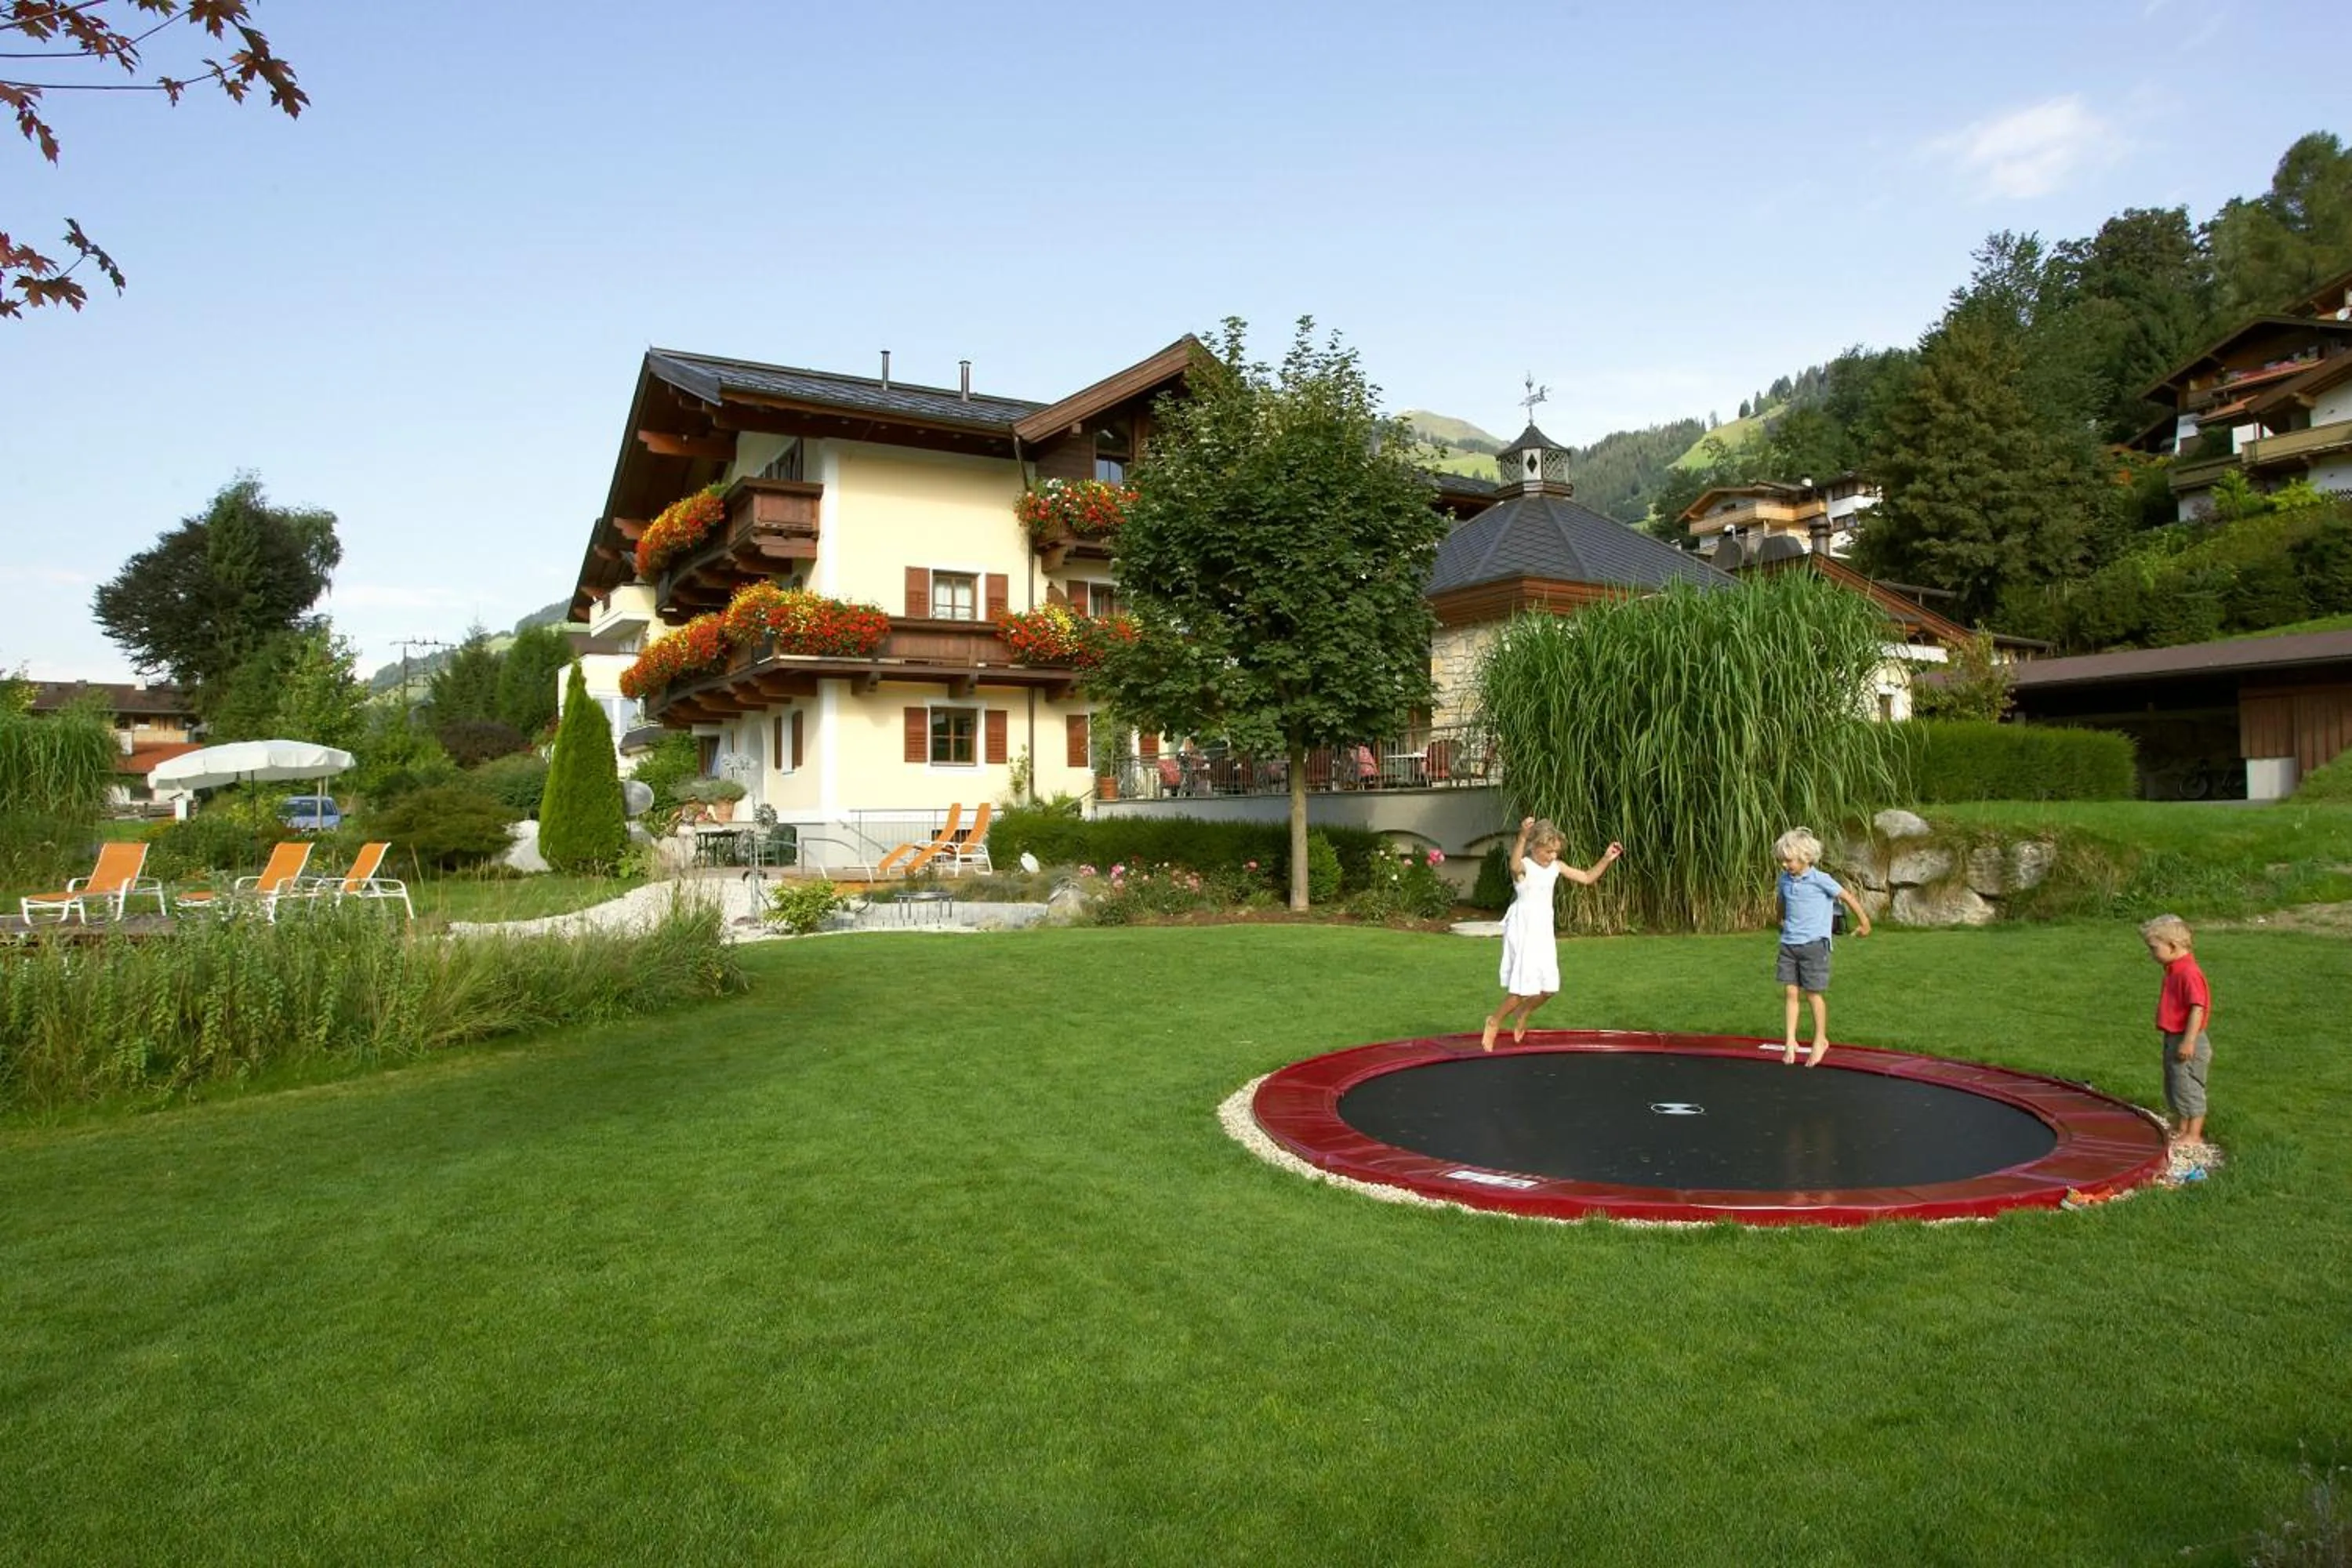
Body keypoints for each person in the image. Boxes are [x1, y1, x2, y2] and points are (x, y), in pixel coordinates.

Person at [1482, 816, 1621, 1051]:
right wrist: (1523, 836)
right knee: (1521, 990)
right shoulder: (1526, 865)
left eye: (1556, 852)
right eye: (1548, 851)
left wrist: (1606, 858)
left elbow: (1587, 878)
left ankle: (1524, 1012)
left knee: (1549, 989)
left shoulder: (1556, 867)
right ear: (1535, 847)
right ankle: (1494, 1022)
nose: (1553, 856)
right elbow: (1514, 866)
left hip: (1544, 931)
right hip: (1524, 930)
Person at [1773, 826, 1871, 1067]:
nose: (1785, 865)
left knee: (1813, 993)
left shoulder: (1820, 880)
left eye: (1789, 860)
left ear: (1806, 857)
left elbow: (1847, 897)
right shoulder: (1785, 879)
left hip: (1815, 945)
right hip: (1789, 943)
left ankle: (1820, 1040)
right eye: (1783, 861)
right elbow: (1781, 901)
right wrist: (1780, 918)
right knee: (1790, 992)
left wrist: (1865, 922)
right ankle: (1790, 1041)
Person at [2140, 914, 2212, 1146]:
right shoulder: (2174, 969)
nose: (2151, 954)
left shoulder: (2188, 973)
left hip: (2187, 1038)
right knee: (2175, 1082)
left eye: (2154, 949)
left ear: (2172, 946)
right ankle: (2182, 1127)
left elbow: (2197, 1008)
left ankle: (2194, 1134)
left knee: (2189, 1084)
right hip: (2174, 1036)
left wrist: (2189, 1041)